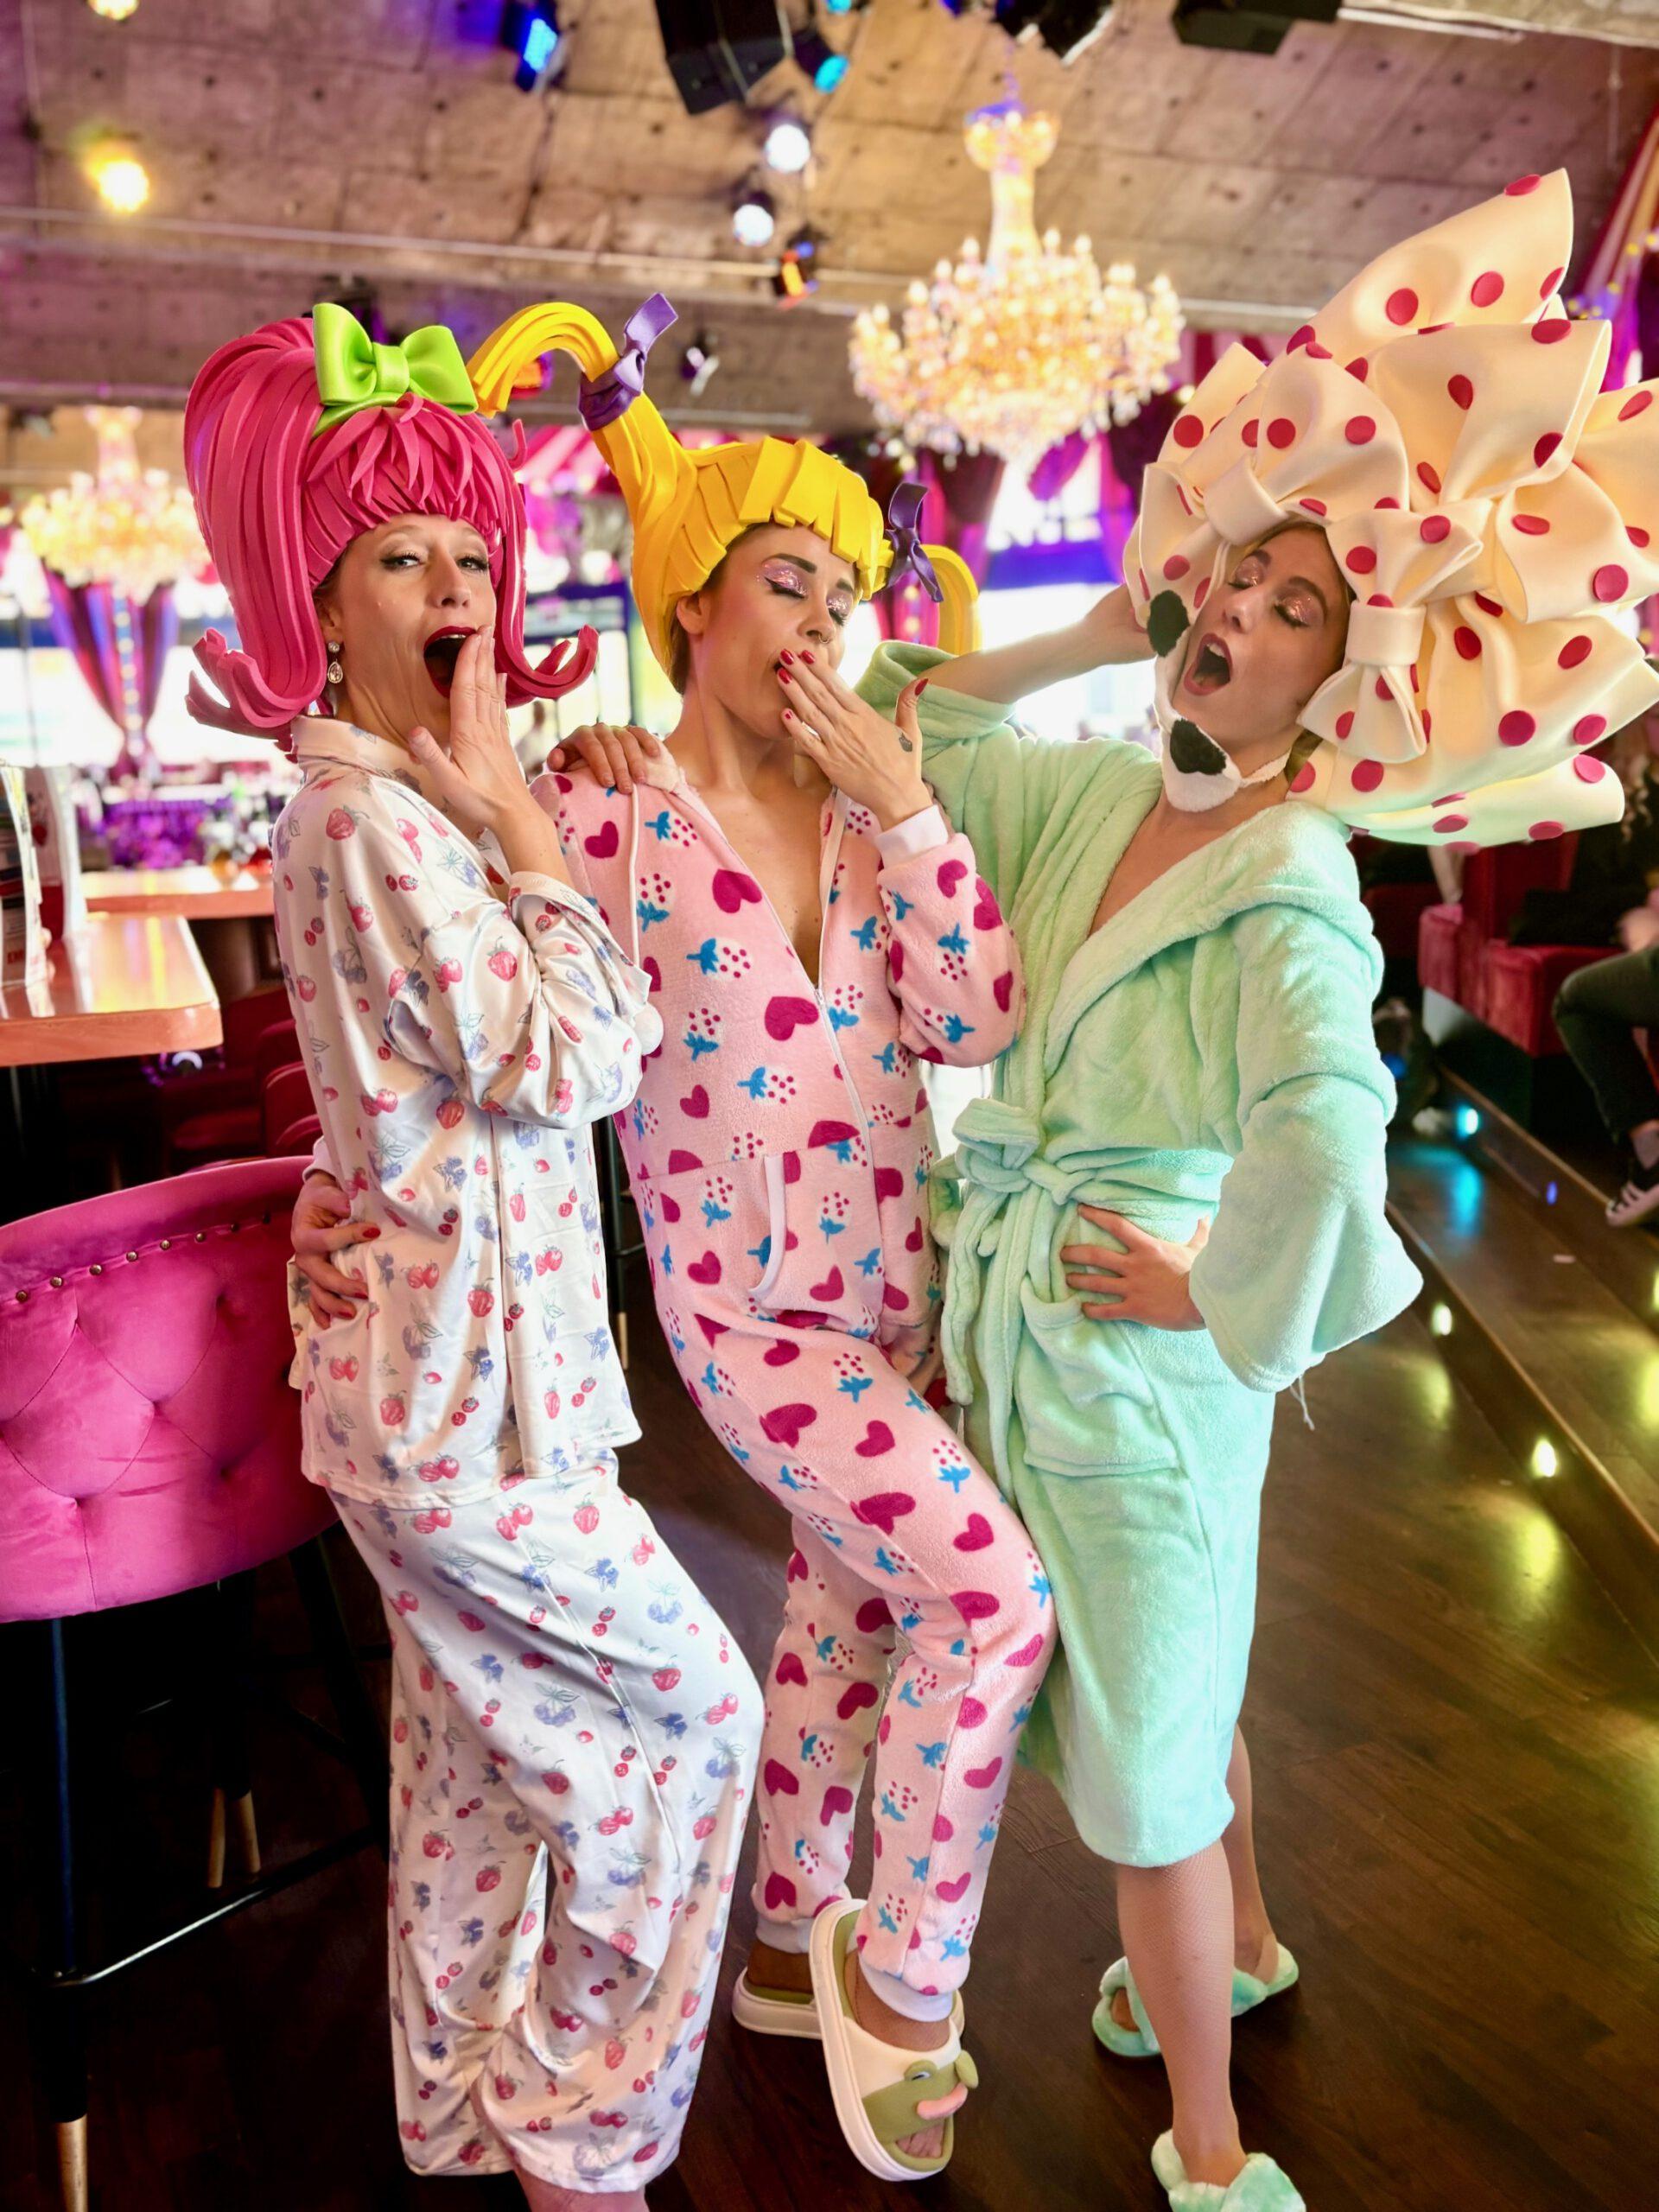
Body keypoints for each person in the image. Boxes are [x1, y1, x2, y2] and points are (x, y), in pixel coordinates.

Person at [785, 167, 1659, 2210]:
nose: (1236, 620)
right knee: (1169, 1685)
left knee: (1149, 1773)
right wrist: (1104, 619)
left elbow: (1333, 1134)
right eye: (1233, 583)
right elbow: (911, 717)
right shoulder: (1102, 787)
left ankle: (1207, 2136)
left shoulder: (1291, 883)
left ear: (1336, 688)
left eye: (1290, 611)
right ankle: (1249, 1945)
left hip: (1135, 1360)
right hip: (1035, 1309)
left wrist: (1219, 1298)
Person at [298, 297, 1054, 2186]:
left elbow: (977, 1016)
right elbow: (451, 1021)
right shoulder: (599, 803)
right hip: (744, 1325)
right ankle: (902, 1977)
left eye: (843, 598)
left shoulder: (877, 817)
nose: (820, 628)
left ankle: (789, 1939)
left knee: (848, 1600)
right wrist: (335, 1189)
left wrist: (913, 810)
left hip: (903, 1302)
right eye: (786, 583)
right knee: (990, 1598)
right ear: (692, 602)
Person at [184, 303, 762, 2211]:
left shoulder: (395, 809)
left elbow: (432, 1081)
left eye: (469, 553)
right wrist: (519, 810)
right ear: (320, 600)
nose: (451, 588)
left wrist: (519, 798)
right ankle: (582, 2137)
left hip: (461, 1389)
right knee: (695, 1731)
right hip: (465, 1412)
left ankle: (451, 2119)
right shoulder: (377, 819)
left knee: (466, 1783)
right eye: (398, 558)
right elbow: (582, 1055)